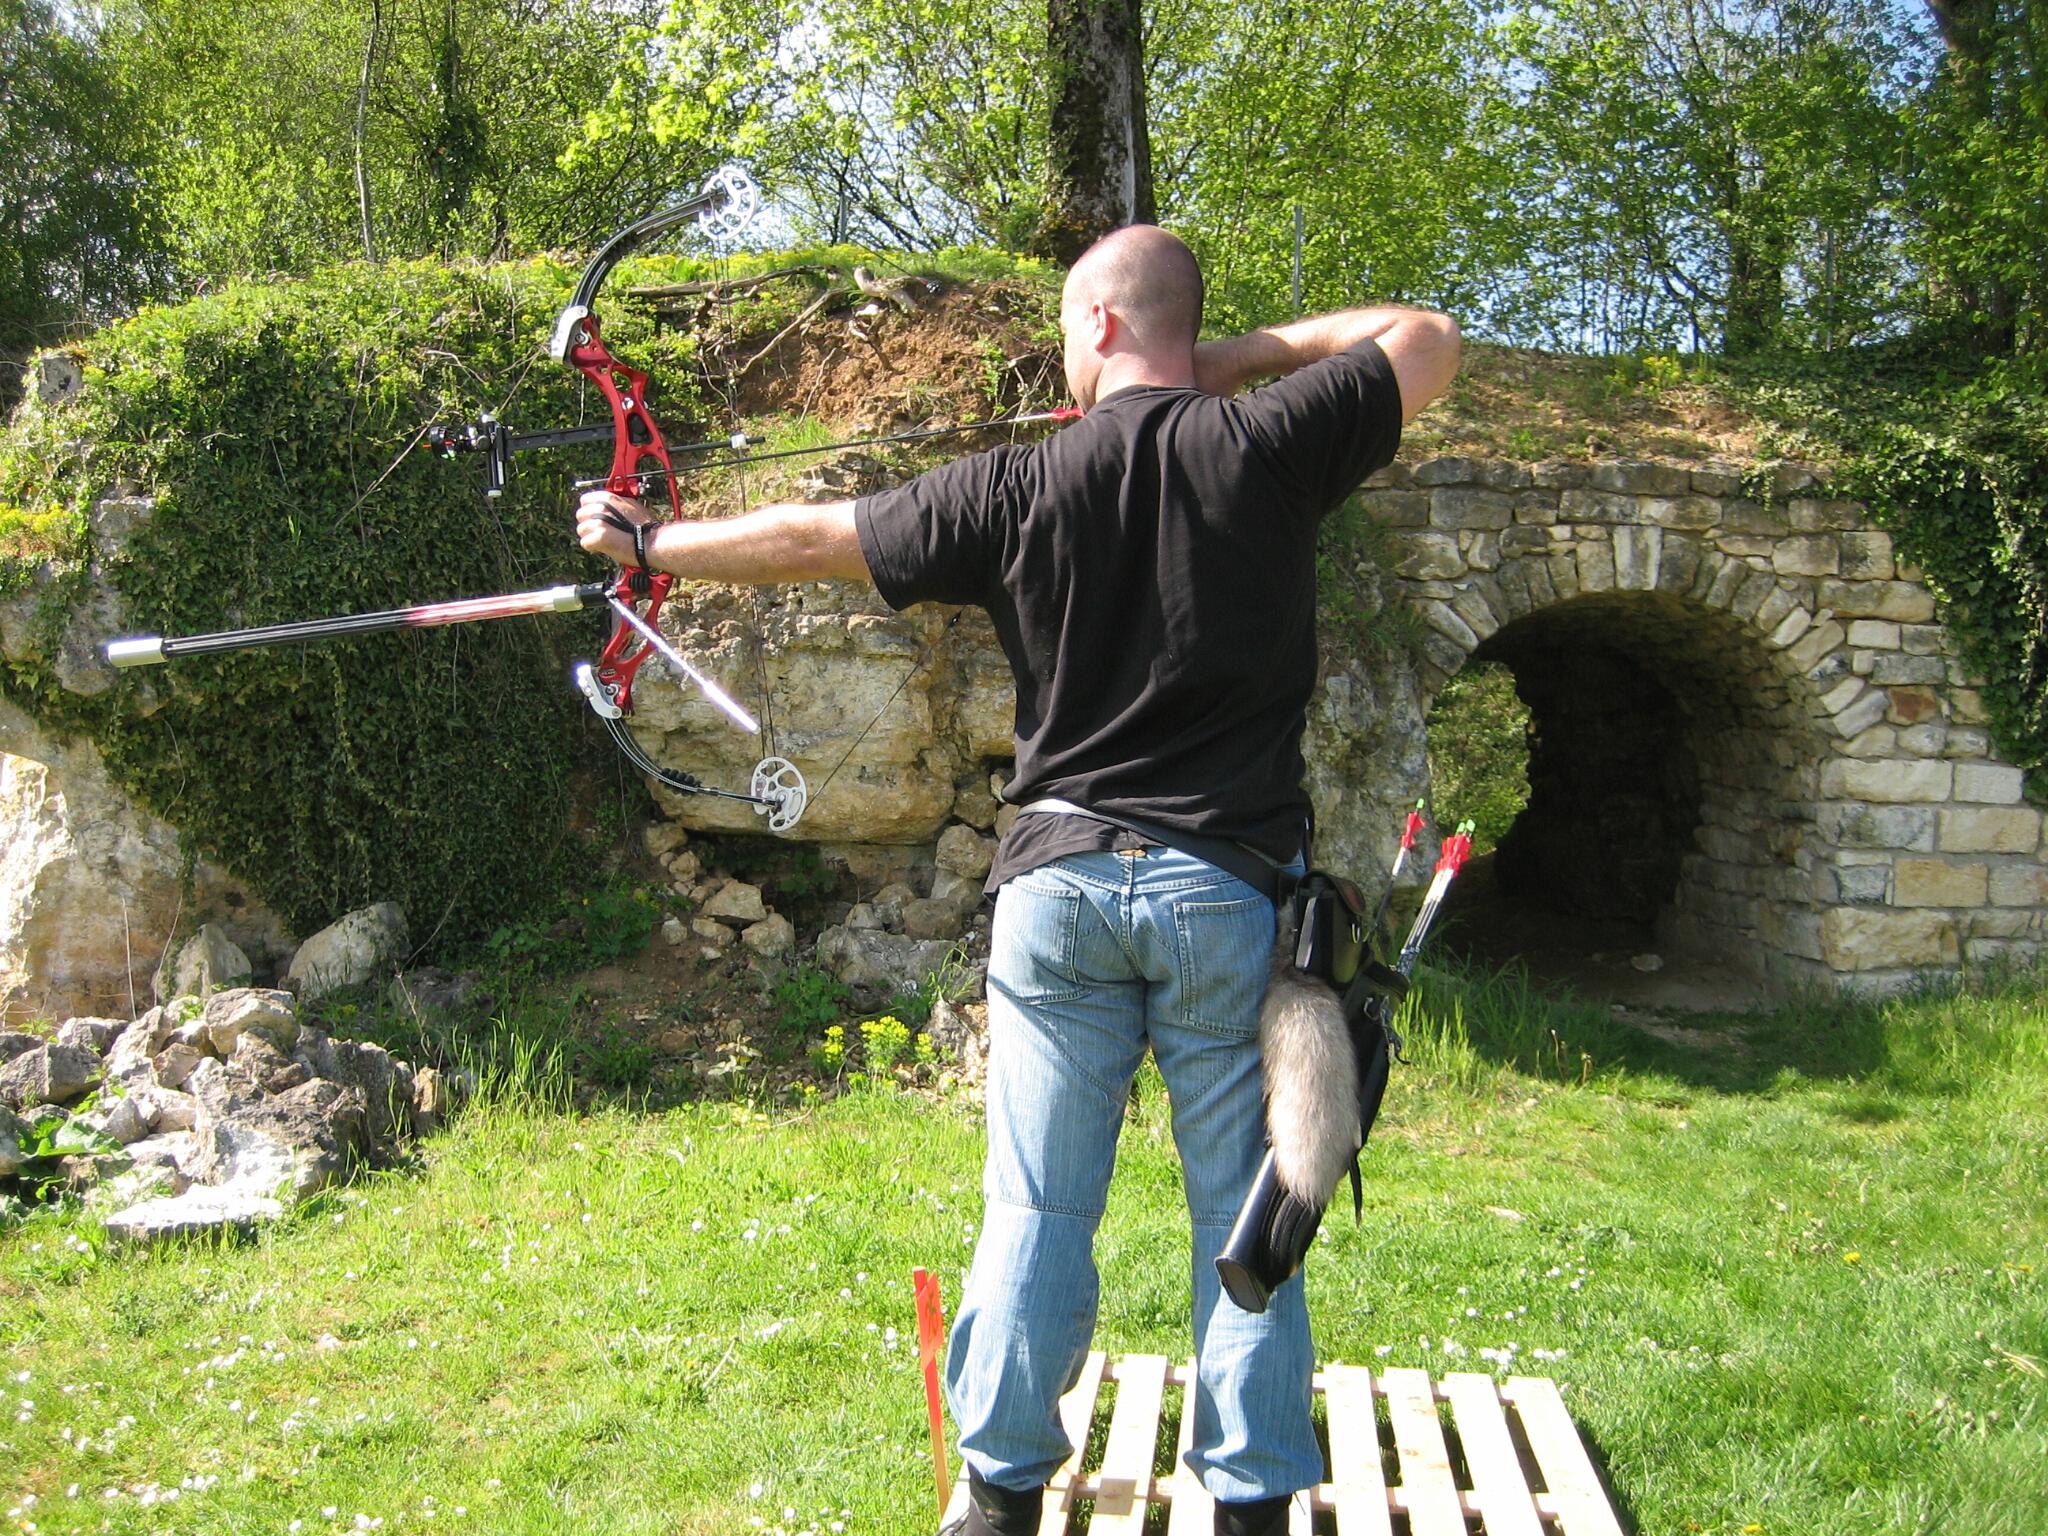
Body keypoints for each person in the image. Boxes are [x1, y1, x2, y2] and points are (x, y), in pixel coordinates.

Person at [576, 225, 1460, 1536]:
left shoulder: (1017, 484)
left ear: (1099, 324)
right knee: (1244, 1210)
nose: (1064, 355)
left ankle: (996, 1501)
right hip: (1226, 895)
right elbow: (1424, 336)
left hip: (1058, 894)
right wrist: (1233, 362)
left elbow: (818, 536)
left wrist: (654, 543)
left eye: (1069, 330)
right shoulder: (1269, 442)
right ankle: (1251, 1505)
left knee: (1037, 1208)